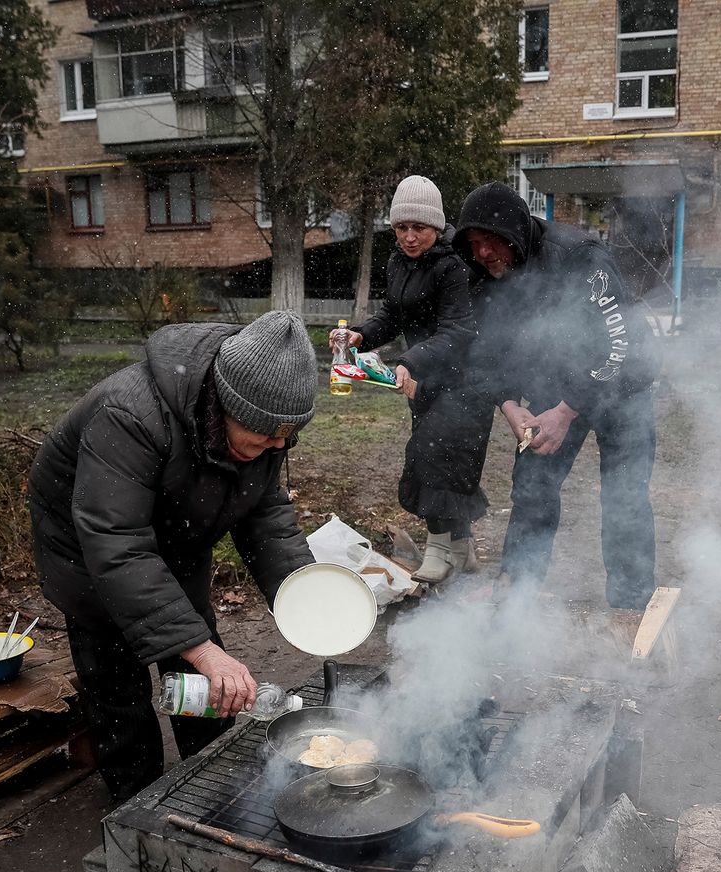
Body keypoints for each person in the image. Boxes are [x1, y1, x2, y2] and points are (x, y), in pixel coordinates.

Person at [28, 310, 319, 803]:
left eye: (286, 437)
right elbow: (116, 541)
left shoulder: (265, 429)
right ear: (226, 401)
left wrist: (306, 594)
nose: (278, 446)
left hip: (174, 533)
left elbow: (264, 515)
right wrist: (201, 649)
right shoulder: (130, 413)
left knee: (201, 673)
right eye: (267, 434)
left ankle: (208, 791)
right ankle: (134, 804)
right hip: (89, 550)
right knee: (119, 686)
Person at [452, 182, 661, 624]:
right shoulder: (483, 276)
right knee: (532, 485)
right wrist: (509, 403)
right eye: (475, 245)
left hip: (622, 385)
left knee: (624, 496)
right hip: (553, 384)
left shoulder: (580, 256)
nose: (484, 253)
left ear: (513, 233)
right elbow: (486, 351)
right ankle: (517, 593)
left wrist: (567, 410)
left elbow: (622, 347)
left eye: (491, 242)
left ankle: (630, 608)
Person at [331, 175, 491, 583]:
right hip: (423, 380)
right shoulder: (398, 262)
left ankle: (440, 550)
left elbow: (457, 330)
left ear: (435, 227)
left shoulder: (453, 265)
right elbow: (392, 315)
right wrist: (361, 334)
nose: (408, 236)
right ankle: (462, 549)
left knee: (437, 460)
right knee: (444, 462)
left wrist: (410, 360)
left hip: (466, 381)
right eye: (401, 227)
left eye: (418, 227)